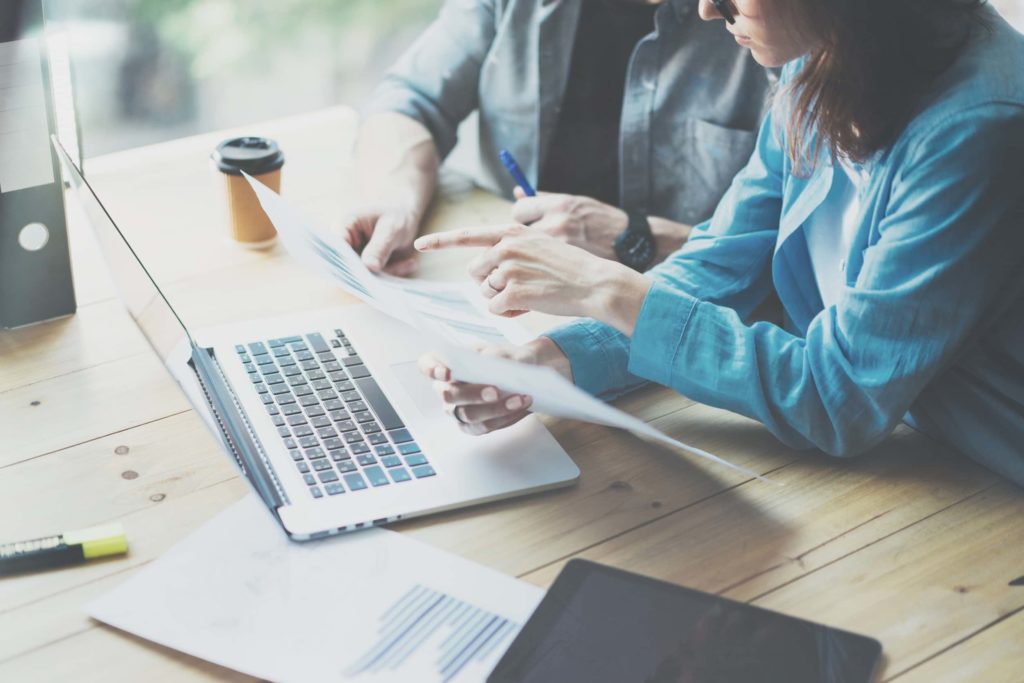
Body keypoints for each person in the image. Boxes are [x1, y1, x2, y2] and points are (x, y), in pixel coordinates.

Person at [416, 0, 1024, 487]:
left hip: (986, 488)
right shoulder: (820, 59)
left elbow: (838, 398)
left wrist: (604, 287)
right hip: (914, 453)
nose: (708, 9)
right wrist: (550, 363)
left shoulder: (980, 127)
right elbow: (722, 263)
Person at [342, 0, 775, 276]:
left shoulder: (769, 27)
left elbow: (793, 254)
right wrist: (397, 198)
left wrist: (637, 238)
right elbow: (410, 98)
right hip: (508, 283)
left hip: (687, 306)